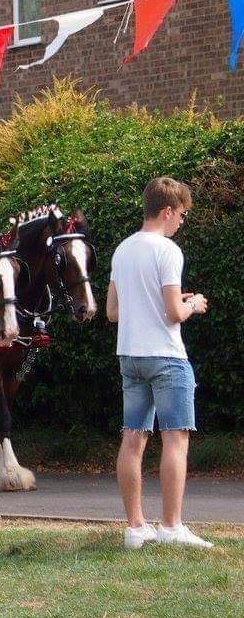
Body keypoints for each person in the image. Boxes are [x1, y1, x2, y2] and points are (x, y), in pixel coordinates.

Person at [107, 177, 212, 550]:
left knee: (132, 438)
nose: (181, 221)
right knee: (175, 438)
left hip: (130, 355)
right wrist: (193, 304)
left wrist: (159, 301)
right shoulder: (168, 251)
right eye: (181, 214)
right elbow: (173, 313)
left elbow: (113, 311)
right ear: (167, 211)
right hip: (167, 357)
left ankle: (136, 529)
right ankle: (171, 526)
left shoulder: (123, 250)